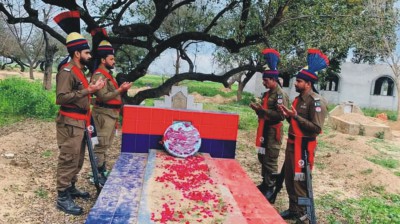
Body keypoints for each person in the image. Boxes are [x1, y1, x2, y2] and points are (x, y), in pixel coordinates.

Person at [54, 11, 106, 216]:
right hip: (69, 122)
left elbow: (79, 97)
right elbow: (61, 98)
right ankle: (62, 196)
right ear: (77, 54)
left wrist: (91, 95)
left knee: (78, 158)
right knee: (68, 158)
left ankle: (71, 186)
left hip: (81, 122)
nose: (90, 56)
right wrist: (89, 90)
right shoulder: (67, 71)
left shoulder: (80, 72)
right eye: (87, 53)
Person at [278, 49, 329, 220]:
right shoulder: (297, 100)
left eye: (299, 81)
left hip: (304, 148)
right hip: (292, 144)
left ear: (308, 83)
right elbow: (295, 124)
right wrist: (288, 117)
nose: (295, 83)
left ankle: (303, 214)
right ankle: (294, 210)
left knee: (301, 183)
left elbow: (316, 129)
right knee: (290, 180)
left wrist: (295, 117)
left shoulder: (316, 101)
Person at [91, 40, 132, 185]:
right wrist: (120, 90)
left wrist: (120, 89)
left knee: (105, 144)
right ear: (103, 60)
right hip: (103, 113)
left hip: (110, 114)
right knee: (101, 145)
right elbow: (102, 96)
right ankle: (96, 174)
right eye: (111, 59)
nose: (114, 61)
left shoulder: (107, 74)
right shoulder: (99, 75)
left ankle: (101, 171)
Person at [250, 48, 289, 200]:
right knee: (262, 156)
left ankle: (271, 187)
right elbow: (264, 112)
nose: (263, 83)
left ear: (273, 80)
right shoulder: (267, 94)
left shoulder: (280, 95)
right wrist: (258, 110)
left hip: (273, 131)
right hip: (264, 129)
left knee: (270, 159)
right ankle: (265, 183)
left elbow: (281, 116)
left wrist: (264, 111)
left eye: (266, 80)